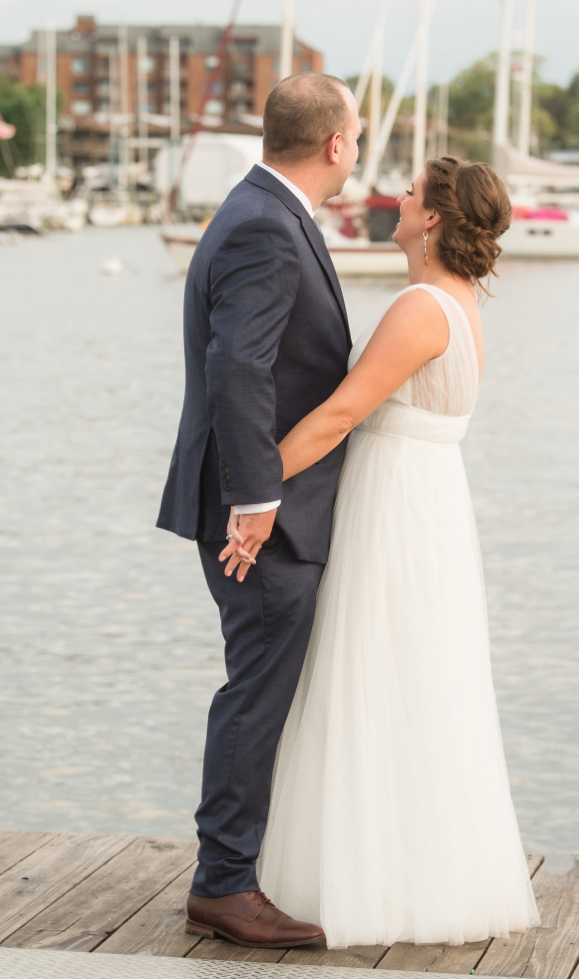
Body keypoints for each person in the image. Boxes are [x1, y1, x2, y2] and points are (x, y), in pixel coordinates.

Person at [248, 157, 540, 948]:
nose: (398, 198)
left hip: (397, 505)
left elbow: (341, 413)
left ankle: (371, 877)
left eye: (411, 192)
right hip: (429, 500)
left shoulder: (419, 306)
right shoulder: (461, 301)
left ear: (435, 218)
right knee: (414, 679)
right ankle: (413, 867)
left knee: (375, 674)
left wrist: (251, 489)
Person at [157, 72, 361, 948]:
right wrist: (255, 499)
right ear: (335, 145)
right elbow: (240, 366)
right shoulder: (267, 228)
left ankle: (234, 868)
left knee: (260, 683)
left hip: (258, 503)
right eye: (356, 134)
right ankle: (225, 883)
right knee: (256, 692)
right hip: (259, 517)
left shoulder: (256, 209)